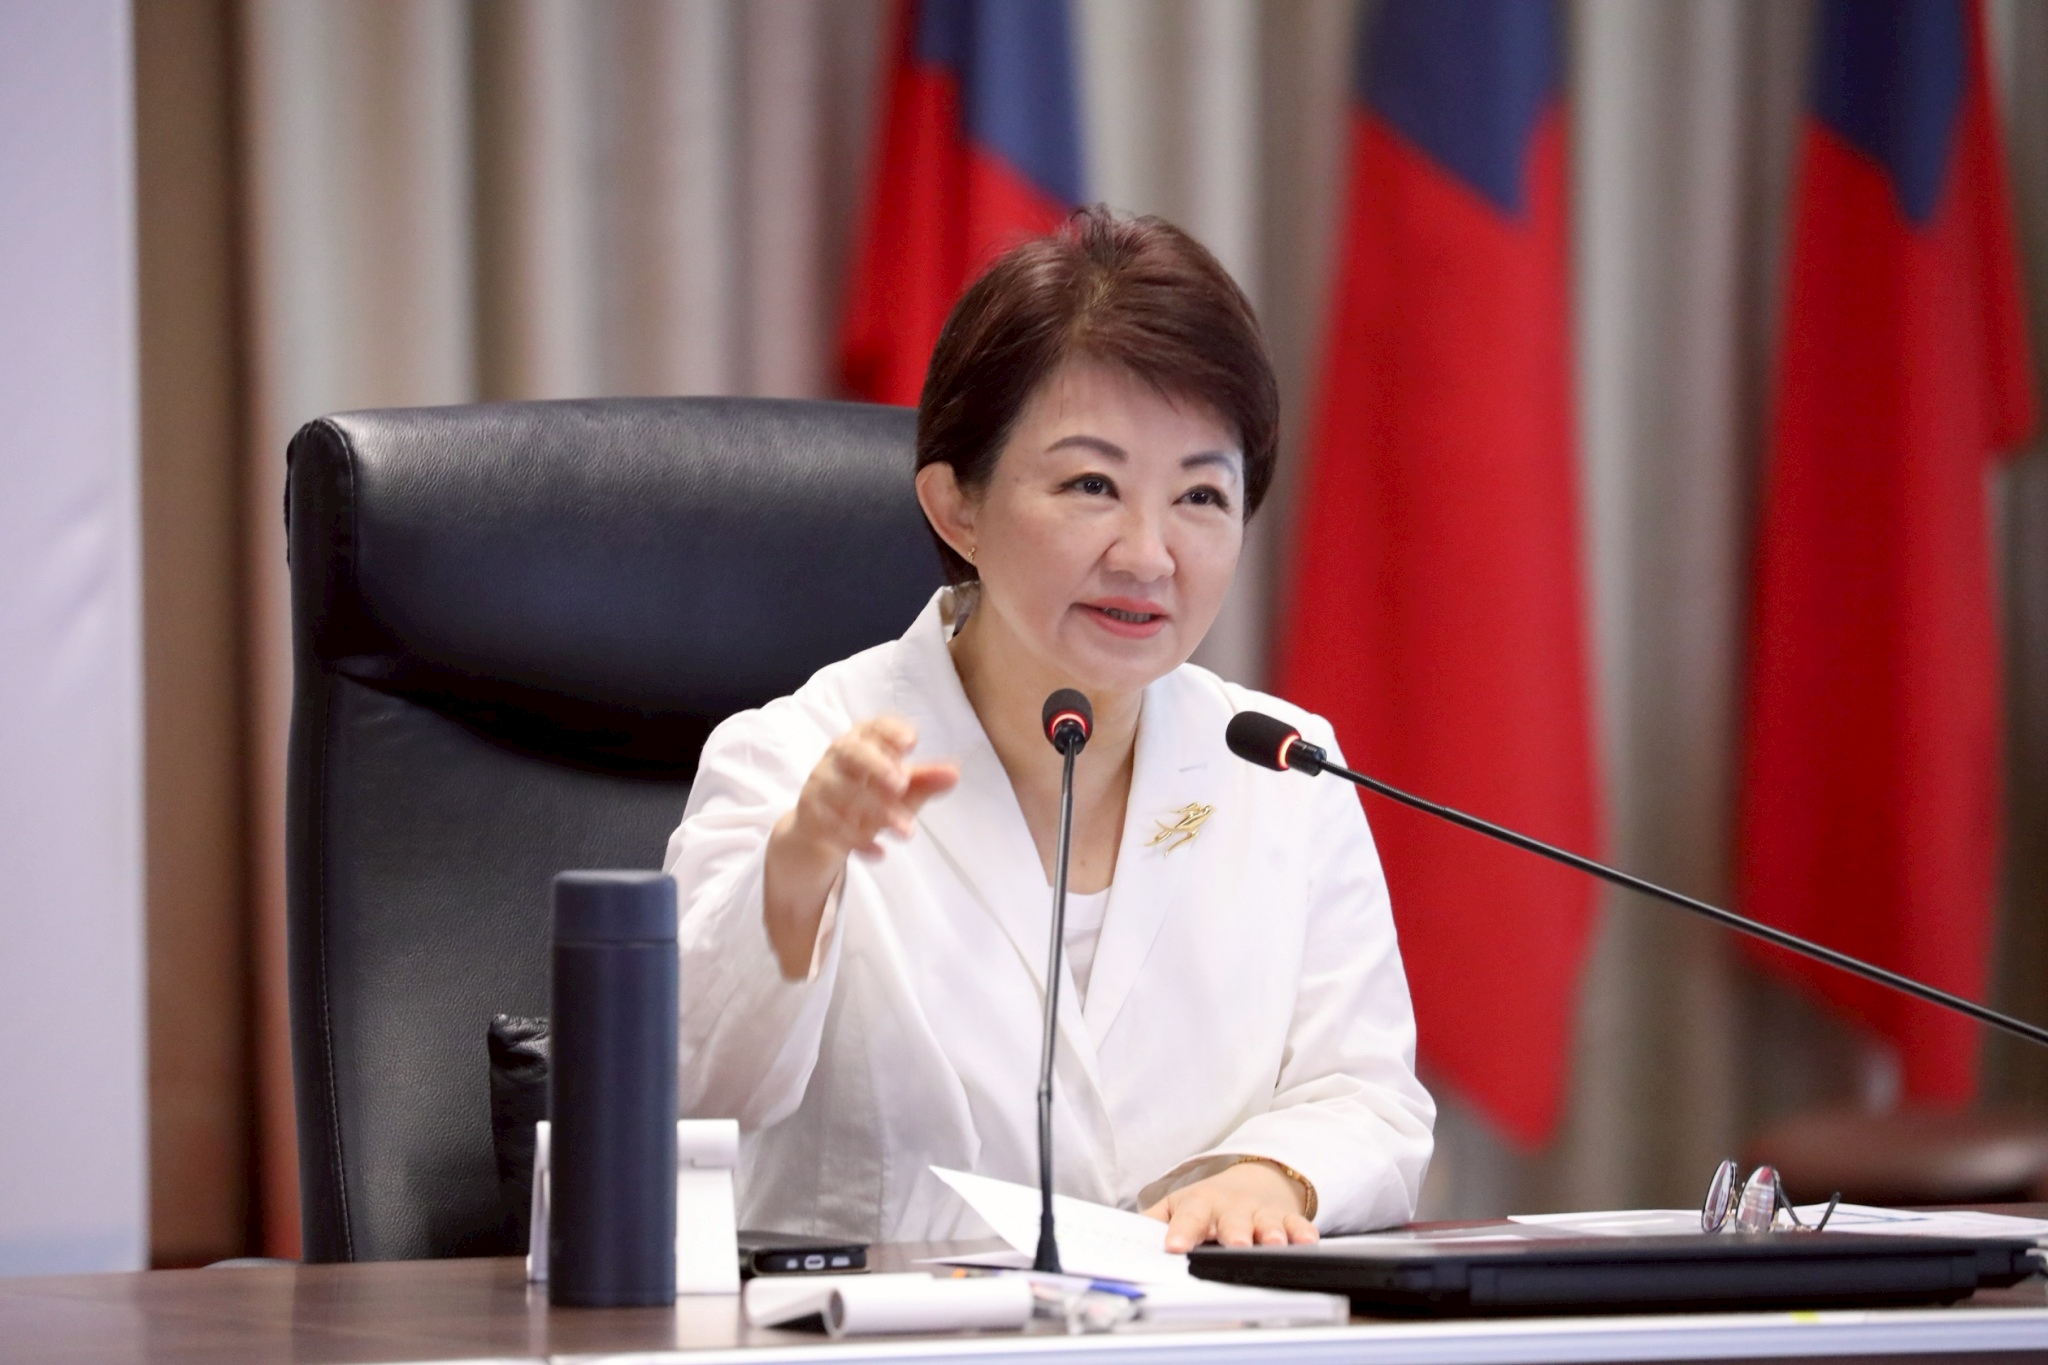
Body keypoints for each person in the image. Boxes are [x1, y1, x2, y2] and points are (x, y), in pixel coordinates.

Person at [664, 206, 1434, 1251]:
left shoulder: (1283, 766)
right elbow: (689, 1095)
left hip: (1199, 1331)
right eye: (1090, 485)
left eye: (1201, 496)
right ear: (957, 507)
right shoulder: (791, 758)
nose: (1148, 555)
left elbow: (1369, 1096)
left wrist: (1274, 1176)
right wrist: (795, 880)